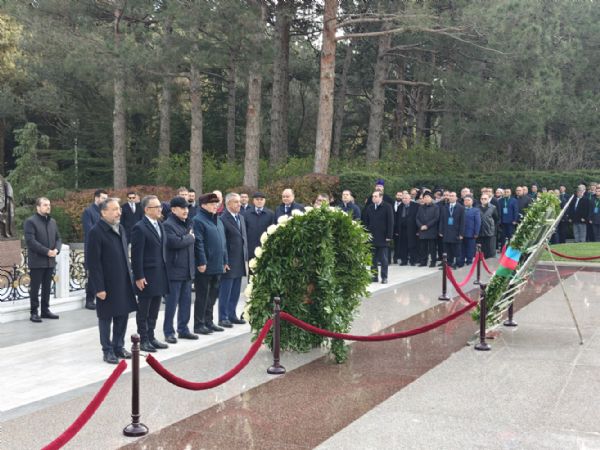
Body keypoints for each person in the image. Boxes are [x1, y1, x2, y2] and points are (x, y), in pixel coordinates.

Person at [86, 198, 137, 364]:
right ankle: (107, 350)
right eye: (114, 209)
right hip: (106, 284)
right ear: (103, 212)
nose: (119, 212)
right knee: (106, 318)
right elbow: (93, 263)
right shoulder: (96, 232)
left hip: (123, 281)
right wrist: (98, 288)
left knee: (122, 315)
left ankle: (118, 346)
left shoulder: (120, 228)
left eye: (119, 209)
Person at [131, 195, 170, 353]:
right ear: (147, 209)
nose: (160, 209)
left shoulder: (159, 225)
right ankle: (143, 339)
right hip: (146, 275)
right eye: (156, 207)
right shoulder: (140, 228)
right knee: (144, 310)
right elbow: (136, 255)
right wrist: (139, 276)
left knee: (154, 309)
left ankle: (151, 336)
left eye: (160, 206)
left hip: (159, 273)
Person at [162, 196, 198, 343]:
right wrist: (189, 238)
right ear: (173, 209)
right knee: (172, 304)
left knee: (186, 302)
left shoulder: (188, 223)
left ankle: (183, 329)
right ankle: (168, 332)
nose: (186, 210)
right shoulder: (168, 225)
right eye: (182, 208)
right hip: (174, 271)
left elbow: (186, 243)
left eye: (187, 208)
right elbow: (174, 242)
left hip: (187, 270)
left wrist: (187, 238)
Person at [193, 192, 228, 334]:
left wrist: (225, 260)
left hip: (217, 264)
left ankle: (209, 321)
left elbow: (223, 242)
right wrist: (201, 261)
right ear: (203, 205)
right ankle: (199, 324)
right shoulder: (198, 220)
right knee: (203, 296)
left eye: (216, 203)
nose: (215, 206)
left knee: (213, 296)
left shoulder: (218, 220)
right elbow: (198, 242)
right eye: (212, 204)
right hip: (205, 265)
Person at [24, 197, 62, 323]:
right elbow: (31, 242)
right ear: (38, 207)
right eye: (45, 205)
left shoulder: (53, 222)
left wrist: (56, 250)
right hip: (37, 261)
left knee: (47, 287)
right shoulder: (30, 222)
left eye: (49, 204)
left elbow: (58, 238)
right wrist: (47, 251)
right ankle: (34, 312)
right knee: (35, 288)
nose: (48, 207)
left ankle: (45, 310)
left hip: (50, 261)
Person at [218, 193, 248, 327]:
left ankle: (232, 314)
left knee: (236, 290)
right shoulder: (222, 219)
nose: (239, 204)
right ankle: (223, 317)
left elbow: (243, 239)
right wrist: (224, 261)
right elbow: (222, 242)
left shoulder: (241, 217)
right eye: (236, 202)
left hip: (240, 260)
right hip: (229, 261)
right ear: (228, 203)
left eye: (239, 202)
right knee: (226, 290)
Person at [82, 189, 108, 310]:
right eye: (103, 198)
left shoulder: (105, 211)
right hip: (93, 248)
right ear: (96, 198)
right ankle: (89, 300)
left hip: (106, 247)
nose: (105, 200)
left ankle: (102, 298)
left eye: (106, 199)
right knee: (93, 274)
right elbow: (89, 230)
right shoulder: (88, 211)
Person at [362, 191, 394, 283]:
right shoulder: (370, 207)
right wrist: (366, 235)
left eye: (375, 196)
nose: (373, 198)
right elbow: (366, 222)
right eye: (373, 196)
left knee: (383, 259)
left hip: (383, 237)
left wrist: (389, 236)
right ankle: (374, 276)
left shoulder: (387, 207)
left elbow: (390, 222)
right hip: (372, 237)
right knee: (373, 259)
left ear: (381, 197)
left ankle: (384, 277)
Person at [244, 192, 275, 259]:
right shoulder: (246, 214)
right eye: (257, 199)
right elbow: (244, 232)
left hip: (265, 248)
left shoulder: (271, 214)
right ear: (253, 201)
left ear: (265, 201)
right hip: (251, 249)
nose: (259, 201)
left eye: (261, 199)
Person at [439, 192, 465, 269]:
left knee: (456, 249)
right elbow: (441, 220)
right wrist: (440, 231)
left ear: (456, 198)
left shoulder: (461, 208)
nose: (451, 197)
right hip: (446, 232)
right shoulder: (445, 207)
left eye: (453, 196)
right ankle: (448, 264)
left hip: (456, 232)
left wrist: (461, 233)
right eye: (450, 196)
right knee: (447, 249)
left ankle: (457, 263)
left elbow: (462, 222)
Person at [416, 191, 439, 267]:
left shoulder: (435, 207)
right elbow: (417, 218)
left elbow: (436, 218)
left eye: (427, 197)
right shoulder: (420, 207)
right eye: (424, 197)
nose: (426, 198)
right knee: (423, 247)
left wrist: (427, 226)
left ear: (431, 198)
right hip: (422, 230)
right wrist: (420, 226)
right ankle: (423, 261)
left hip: (431, 230)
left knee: (432, 248)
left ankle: (433, 262)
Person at [394, 192, 418, 266]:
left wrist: (418, 230)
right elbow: (397, 219)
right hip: (402, 229)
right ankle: (404, 260)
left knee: (412, 245)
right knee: (403, 245)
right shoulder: (400, 206)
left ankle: (413, 260)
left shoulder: (416, 206)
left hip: (412, 229)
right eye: (403, 198)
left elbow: (418, 217)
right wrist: (397, 230)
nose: (404, 200)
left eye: (406, 198)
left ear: (410, 198)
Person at [460, 195, 481, 266]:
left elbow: (478, 222)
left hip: (471, 233)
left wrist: (476, 233)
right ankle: (461, 261)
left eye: (468, 200)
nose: (466, 201)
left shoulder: (475, 210)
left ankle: (469, 261)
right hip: (461, 233)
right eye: (465, 200)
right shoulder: (461, 209)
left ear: (472, 202)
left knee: (470, 248)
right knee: (461, 248)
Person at [478, 193, 499, 259]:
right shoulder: (477, 208)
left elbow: (496, 218)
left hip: (489, 229)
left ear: (488, 199)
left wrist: (490, 225)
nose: (483, 200)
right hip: (480, 230)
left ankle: (489, 258)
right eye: (482, 199)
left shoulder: (493, 207)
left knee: (489, 246)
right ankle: (482, 258)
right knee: (482, 246)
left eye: (485, 199)